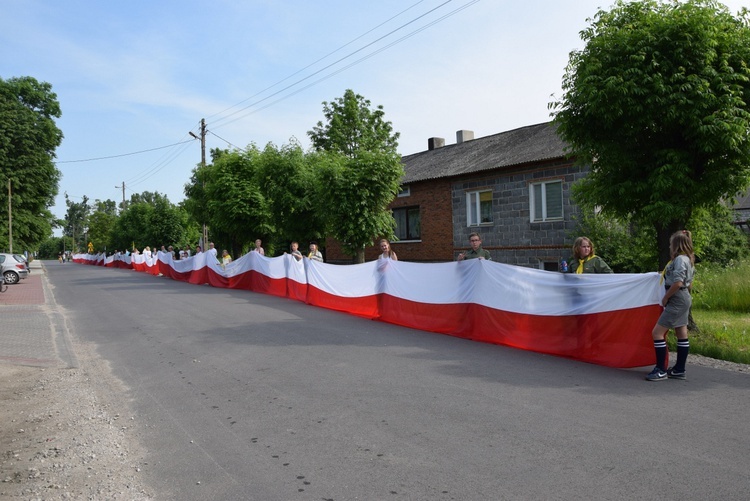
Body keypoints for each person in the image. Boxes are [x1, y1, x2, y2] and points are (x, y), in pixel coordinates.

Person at [646, 230, 696, 381]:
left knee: (657, 333)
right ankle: (679, 369)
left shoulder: (680, 259)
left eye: (670, 244)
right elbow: (689, 283)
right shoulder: (688, 259)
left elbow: (678, 282)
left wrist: (666, 298)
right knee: (681, 332)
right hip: (683, 296)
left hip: (676, 297)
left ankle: (660, 369)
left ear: (676, 245)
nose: (669, 247)